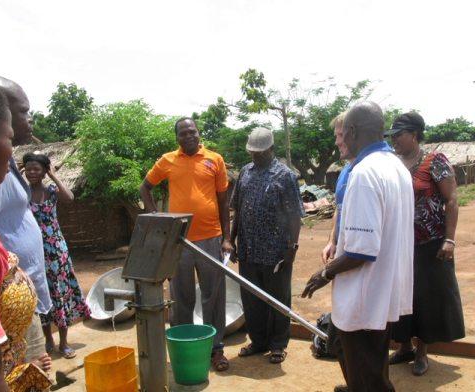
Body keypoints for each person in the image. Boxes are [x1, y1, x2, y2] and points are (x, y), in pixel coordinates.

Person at [302, 102, 414, 392]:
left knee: (368, 371)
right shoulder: (396, 167)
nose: (340, 141)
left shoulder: (365, 174)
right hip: (382, 286)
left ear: (352, 131)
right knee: (343, 346)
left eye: (343, 134)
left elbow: (361, 251)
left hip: (365, 292)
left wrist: (325, 274)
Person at [140, 117, 233, 371]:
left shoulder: (215, 159)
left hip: (211, 238)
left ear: (198, 133)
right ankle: (186, 347)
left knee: (213, 296)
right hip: (178, 241)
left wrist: (226, 238)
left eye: (192, 131)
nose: (188, 136)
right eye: (183, 133)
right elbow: (145, 188)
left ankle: (216, 350)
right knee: (181, 298)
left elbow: (223, 202)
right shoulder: (167, 160)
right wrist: (158, 222)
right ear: (177, 138)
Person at [385, 112, 465, 376]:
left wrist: (449, 239)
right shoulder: (393, 163)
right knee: (400, 297)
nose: (393, 140)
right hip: (399, 246)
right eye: (392, 136)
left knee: (425, 300)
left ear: (414, 135)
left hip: (429, 244)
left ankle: (422, 352)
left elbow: (451, 201)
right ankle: (404, 346)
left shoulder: (435, 161)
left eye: (398, 135)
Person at [230, 127, 305, 364]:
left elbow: (295, 215)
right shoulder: (245, 172)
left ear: (271, 149)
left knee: (278, 299)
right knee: (252, 300)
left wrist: (293, 247)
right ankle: (258, 341)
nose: (255, 156)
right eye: (252, 152)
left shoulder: (285, 176)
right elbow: (238, 209)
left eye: (259, 153)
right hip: (249, 250)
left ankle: (278, 345)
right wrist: (230, 239)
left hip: (276, 252)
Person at [0, 85, 51, 391]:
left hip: (20, 301)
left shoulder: (8, 166)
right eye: (23, 112)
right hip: (6, 310)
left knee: (35, 376)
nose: (30, 119)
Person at [23, 152, 91, 359]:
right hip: (33, 252)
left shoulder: (51, 191)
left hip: (55, 251)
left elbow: (69, 198)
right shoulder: (22, 193)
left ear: (45, 170)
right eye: (28, 169)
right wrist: (16, 174)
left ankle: (63, 342)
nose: (32, 172)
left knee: (60, 295)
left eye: (36, 169)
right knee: (40, 294)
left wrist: (53, 176)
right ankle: (48, 340)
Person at [322, 111, 355, 264]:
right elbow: (339, 209)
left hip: (360, 256)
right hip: (343, 252)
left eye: (341, 135)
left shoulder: (369, 174)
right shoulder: (344, 173)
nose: (337, 142)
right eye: (336, 136)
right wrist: (331, 241)